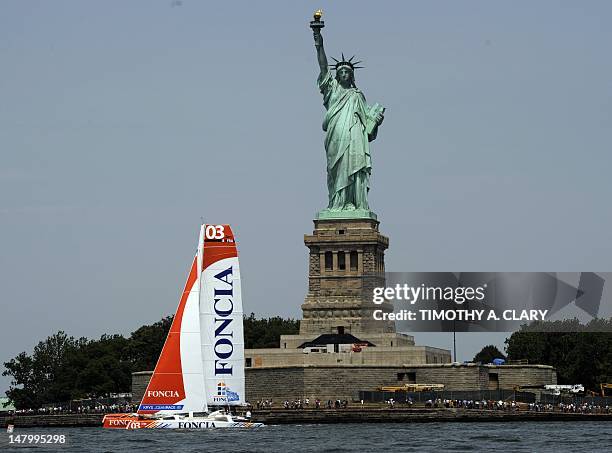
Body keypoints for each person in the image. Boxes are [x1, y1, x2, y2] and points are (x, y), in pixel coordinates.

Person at [312, 25, 384, 212]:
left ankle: (353, 202)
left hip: (354, 138)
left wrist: (376, 120)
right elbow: (322, 66)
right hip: (336, 134)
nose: (344, 74)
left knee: (354, 166)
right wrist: (319, 43)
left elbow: (368, 124)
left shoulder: (357, 95)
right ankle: (336, 203)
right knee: (336, 168)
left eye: (347, 72)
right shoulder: (332, 89)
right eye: (341, 71)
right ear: (337, 75)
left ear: (351, 76)